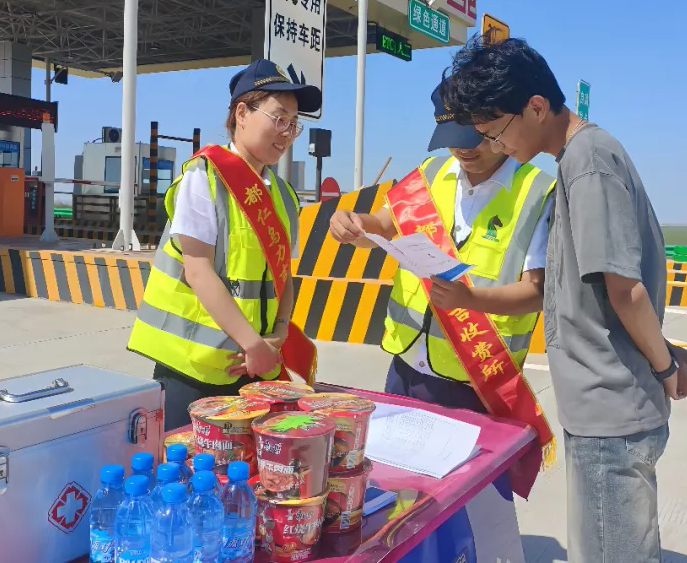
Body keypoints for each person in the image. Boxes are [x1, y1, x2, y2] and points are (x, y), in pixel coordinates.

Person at [441, 36, 687, 563]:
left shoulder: (588, 161)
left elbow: (623, 287)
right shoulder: (578, 157)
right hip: (603, 405)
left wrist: (664, 368)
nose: (495, 146)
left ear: (537, 107)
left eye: (496, 131)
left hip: (609, 413)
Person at [329, 77, 556, 562]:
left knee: (465, 503)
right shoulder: (434, 169)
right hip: (406, 366)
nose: (462, 152)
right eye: (450, 140)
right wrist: (355, 224)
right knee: (396, 492)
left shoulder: (538, 190)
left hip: (476, 378)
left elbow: (538, 291)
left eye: (471, 139)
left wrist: (472, 300)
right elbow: (387, 224)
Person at [128, 59, 321, 430]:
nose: (286, 133)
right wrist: (254, 344)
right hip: (192, 365)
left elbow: (284, 275)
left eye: (293, 124)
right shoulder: (204, 178)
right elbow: (198, 270)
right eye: (279, 118)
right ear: (242, 113)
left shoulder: (283, 195)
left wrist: (279, 333)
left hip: (255, 364)